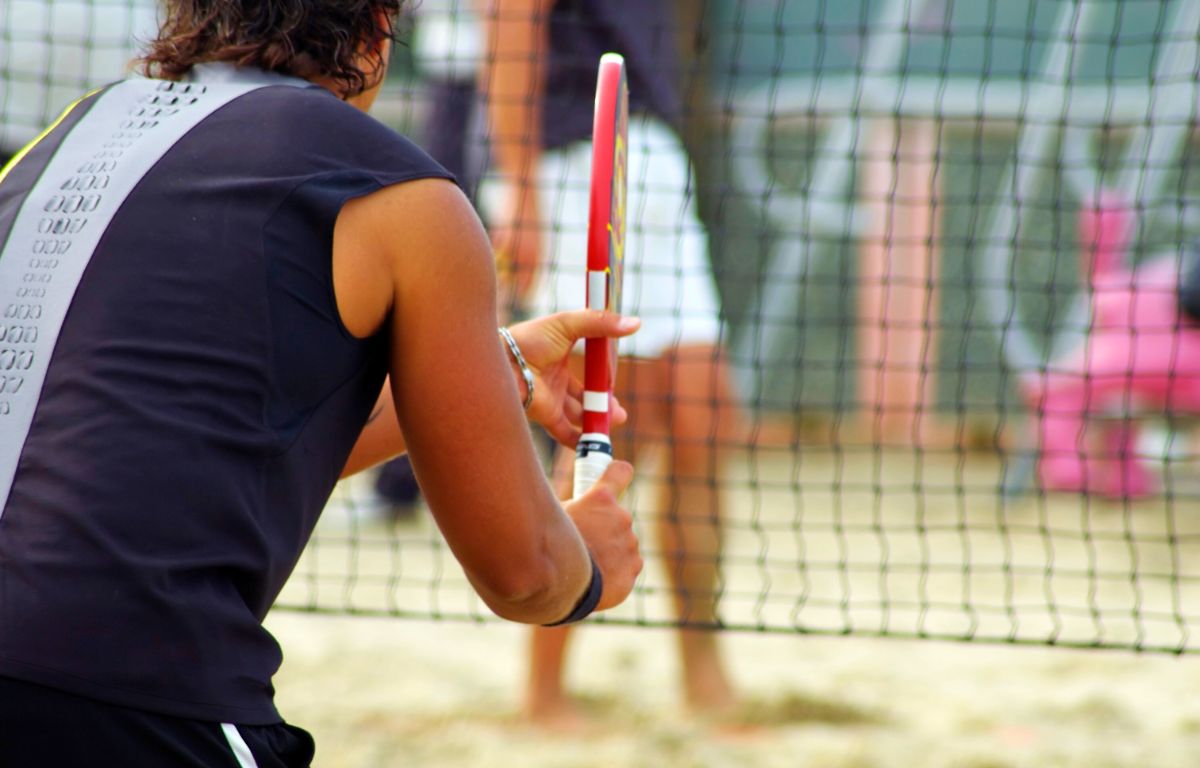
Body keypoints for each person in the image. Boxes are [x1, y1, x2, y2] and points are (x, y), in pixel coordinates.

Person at [0, 1, 644, 765]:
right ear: (375, 32)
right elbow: (524, 573)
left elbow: (213, 436)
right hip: (135, 687)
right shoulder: (401, 191)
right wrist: (588, 566)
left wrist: (495, 360)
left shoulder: (60, 141)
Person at [480, 0, 742, 725]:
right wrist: (522, 191)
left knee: (704, 419)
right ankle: (544, 687)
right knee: (592, 427)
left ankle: (703, 671)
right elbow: (507, 25)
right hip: (572, 165)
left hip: (650, 157)